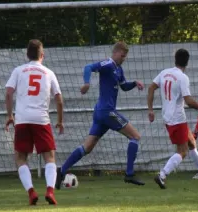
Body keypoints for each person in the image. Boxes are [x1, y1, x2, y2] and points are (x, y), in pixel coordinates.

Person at [56, 41, 145, 188]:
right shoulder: (108, 65)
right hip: (107, 111)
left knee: (87, 147)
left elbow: (124, 87)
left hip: (101, 112)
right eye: (122, 56)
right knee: (135, 136)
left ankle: (62, 171)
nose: (123, 59)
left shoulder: (118, 69)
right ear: (115, 53)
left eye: (125, 57)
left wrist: (135, 83)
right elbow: (88, 67)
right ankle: (129, 174)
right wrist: (86, 83)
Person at [147, 48, 198, 189]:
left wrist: (150, 109)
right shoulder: (182, 78)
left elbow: (150, 88)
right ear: (187, 62)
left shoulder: (164, 73)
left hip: (168, 117)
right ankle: (162, 175)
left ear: (175, 59)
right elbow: (189, 101)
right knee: (182, 151)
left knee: (192, 143)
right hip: (177, 119)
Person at [5, 39, 64, 205]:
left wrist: (10, 115)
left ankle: (31, 192)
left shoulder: (18, 70)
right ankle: (50, 191)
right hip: (41, 119)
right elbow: (59, 99)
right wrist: (60, 120)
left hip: (23, 119)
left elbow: (8, 93)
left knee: (20, 158)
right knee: (49, 156)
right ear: (42, 55)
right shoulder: (49, 73)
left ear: (27, 55)